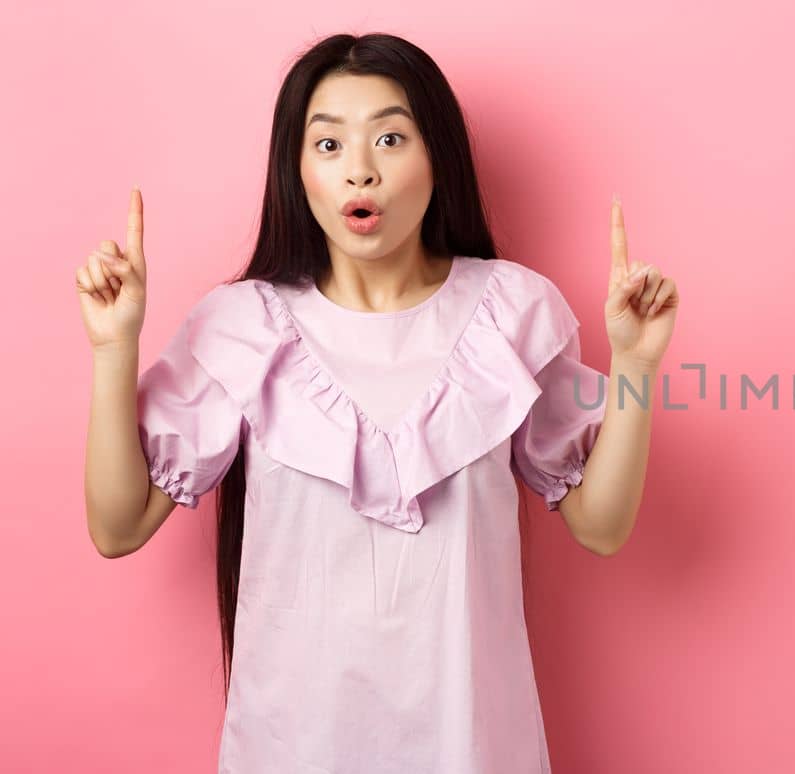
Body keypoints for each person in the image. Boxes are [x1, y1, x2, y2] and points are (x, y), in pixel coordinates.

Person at [77, 32, 679, 773]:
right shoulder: (241, 327)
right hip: (290, 750)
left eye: (390, 138)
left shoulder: (515, 311)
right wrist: (114, 350)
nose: (359, 170)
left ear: (438, 159)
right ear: (296, 171)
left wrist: (638, 363)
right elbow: (117, 525)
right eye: (327, 146)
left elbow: (602, 525)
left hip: (472, 747)